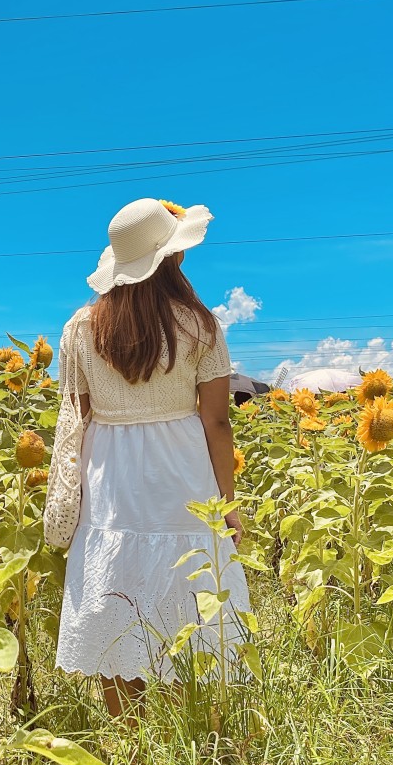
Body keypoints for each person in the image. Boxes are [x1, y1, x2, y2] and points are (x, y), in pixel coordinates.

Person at [55, 197, 250, 715]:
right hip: (180, 467)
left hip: (110, 472)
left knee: (116, 589)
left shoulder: (81, 328)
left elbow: (80, 412)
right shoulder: (201, 327)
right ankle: (179, 736)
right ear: (171, 258)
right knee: (183, 591)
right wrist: (226, 503)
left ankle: (128, 741)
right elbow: (217, 422)